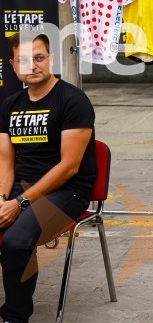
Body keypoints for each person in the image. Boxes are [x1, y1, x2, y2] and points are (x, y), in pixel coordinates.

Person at [0, 33, 97, 323]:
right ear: (13, 65)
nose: (33, 65)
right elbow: (6, 161)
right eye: (25, 60)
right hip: (20, 189)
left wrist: (19, 202)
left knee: (16, 241)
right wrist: (3, 199)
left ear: (51, 59)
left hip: (67, 192)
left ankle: (14, 316)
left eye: (40, 58)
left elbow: (68, 166)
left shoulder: (72, 101)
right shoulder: (9, 105)